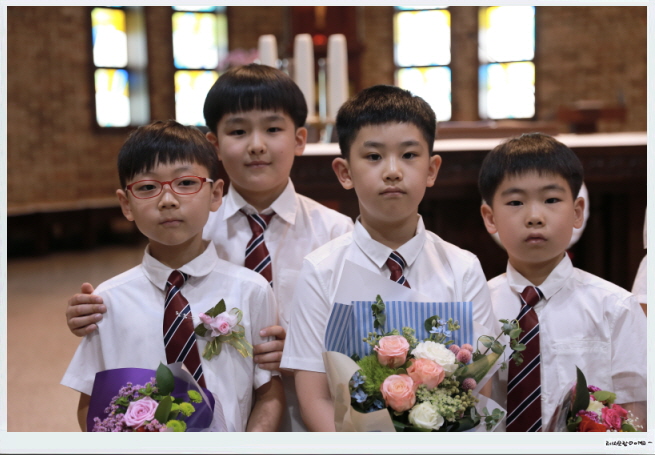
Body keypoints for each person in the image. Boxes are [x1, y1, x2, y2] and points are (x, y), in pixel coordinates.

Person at [64, 64, 354, 431]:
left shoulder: (336, 232)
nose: (256, 145)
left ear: (299, 139)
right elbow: (144, 303)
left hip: (308, 415)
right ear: (214, 144)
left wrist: (303, 351)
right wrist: (88, 312)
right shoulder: (192, 223)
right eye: (238, 131)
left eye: (272, 129)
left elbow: (354, 335)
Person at [280, 85, 498, 431]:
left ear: (432, 169)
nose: (393, 171)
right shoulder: (321, 271)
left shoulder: (463, 269)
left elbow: (479, 389)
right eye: (373, 157)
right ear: (344, 172)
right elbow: (315, 398)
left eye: (409, 155)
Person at [61, 120, 283, 431]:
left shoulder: (251, 290)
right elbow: (91, 404)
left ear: (216, 194)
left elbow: (269, 393)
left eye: (186, 182)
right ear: (126, 204)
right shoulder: (107, 301)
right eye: (147, 187)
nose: (167, 200)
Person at [478, 133, 647, 431]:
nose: (534, 216)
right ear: (490, 217)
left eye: (551, 200)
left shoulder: (615, 307)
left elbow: (637, 413)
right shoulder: (478, 306)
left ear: (577, 212)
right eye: (516, 202)